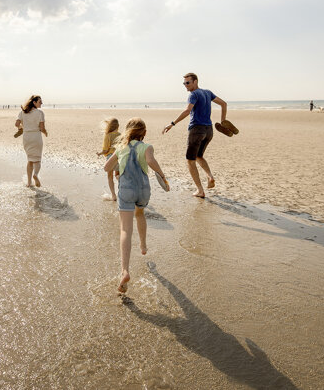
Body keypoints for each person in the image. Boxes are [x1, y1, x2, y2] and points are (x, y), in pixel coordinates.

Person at [104, 118, 168, 294]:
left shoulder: (120, 148)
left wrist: (119, 162)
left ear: (127, 132)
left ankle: (124, 271)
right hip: (143, 190)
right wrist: (162, 175)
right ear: (144, 133)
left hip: (126, 190)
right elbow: (151, 161)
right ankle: (143, 245)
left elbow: (106, 167)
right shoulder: (147, 147)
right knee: (140, 214)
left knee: (125, 229)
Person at [162, 72, 227, 198]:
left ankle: (200, 191)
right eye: (184, 83)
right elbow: (224, 104)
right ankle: (210, 176)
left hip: (197, 130)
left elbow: (187, 111)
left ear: (195, 82)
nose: (185, 85)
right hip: (209, 130)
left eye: (188, 83)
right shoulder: (207, 92)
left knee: (190, 161)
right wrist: (223, 121)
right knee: (199, 156)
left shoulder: (193, 94)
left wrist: (172, 123)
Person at [15, 95, 48, 187]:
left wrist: (21, 128)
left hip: (27, 137)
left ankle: (29, 183)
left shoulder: (22, 112)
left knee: (30, 160)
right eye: (40, 102)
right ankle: (36, 175)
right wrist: (46, 133)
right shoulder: (40, 113)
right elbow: (42, 128)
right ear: (34, 102)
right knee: (37, 159)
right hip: (36, 137)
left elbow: (17, 124)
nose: (41, 103)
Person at [96, 118, 121, 201]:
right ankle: (121, 193)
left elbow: (105, 150)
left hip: (110, 158)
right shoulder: (121, 135)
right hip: (119, 156)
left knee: (110, 177)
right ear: (118, 126)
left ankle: (113, 195)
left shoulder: (107, 135)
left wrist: (100, 153)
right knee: (118, 175)